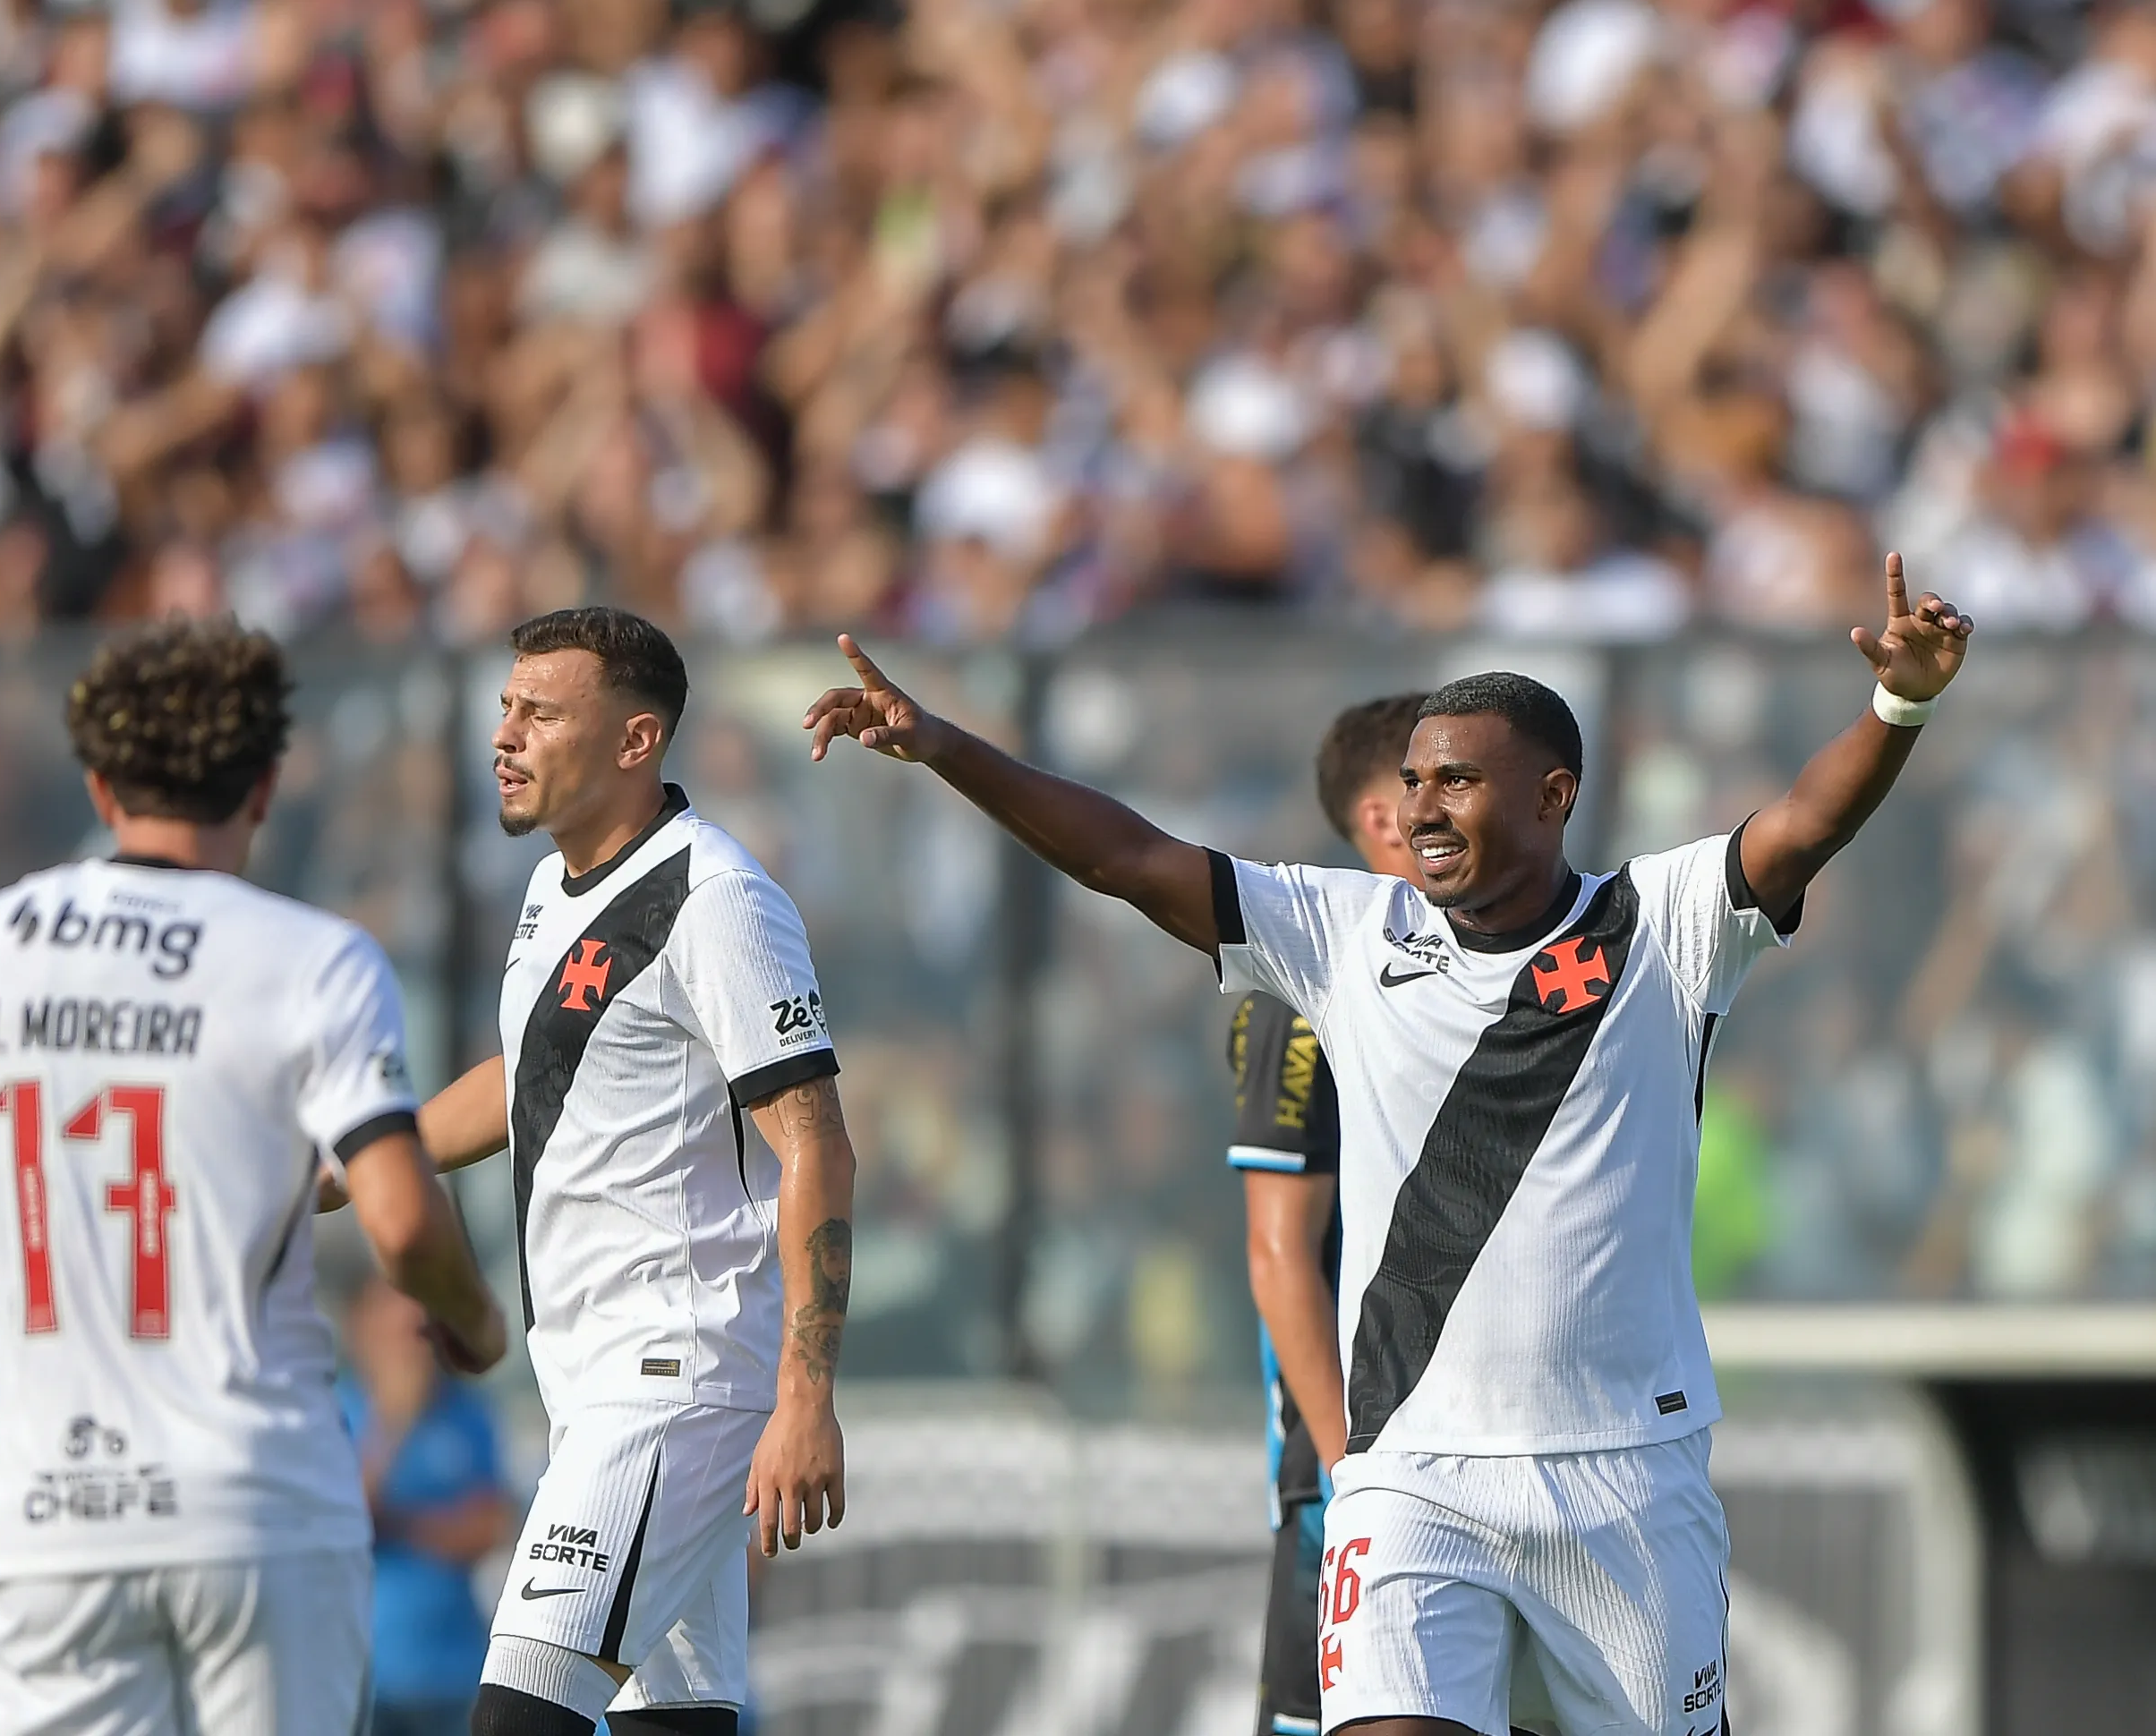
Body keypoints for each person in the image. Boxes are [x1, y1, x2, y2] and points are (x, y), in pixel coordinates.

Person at [804, 556, 1973, 1736]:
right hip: (1410, 1470)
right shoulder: (1342, 932)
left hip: (1622, 1469)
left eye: (1457, 781)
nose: (1419, 809)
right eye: (1413, 781)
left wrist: (1900, 705)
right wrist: (949, 748)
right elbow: (1128, 858)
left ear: (1554, 795)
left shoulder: (1662, 925)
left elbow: (1811, 820)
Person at [0, 616, 507, 1736]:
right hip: (257, 1495)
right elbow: (398, 1219)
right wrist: (475, 1323)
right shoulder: (312, 957)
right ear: (264, 783)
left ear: (101, 786)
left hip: (47, 1500)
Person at [416, 606, 859, 1736]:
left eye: (542, 712)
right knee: (681, 1724)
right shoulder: (557, 886)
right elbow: (525, 1073)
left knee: (520, 1717)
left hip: (672, 1372)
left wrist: (807, 1390)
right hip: (598, 1374)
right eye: (505, 707)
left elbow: (814, 1140)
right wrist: (360, 1157)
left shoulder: (716, 896)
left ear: (634, 741)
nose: (506, 735)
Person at [1235, 693, 1428, 1736]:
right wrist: (1349, 1468)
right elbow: (1279, 1254)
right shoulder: (1302, 987)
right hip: (1352, 1463)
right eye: (1436, 778)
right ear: (1383, 818)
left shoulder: (1497, 963)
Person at [333, 1263, 515, 1736]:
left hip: (456, 1673)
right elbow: (342, 1524)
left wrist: (399, 1524)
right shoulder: (337, 1410)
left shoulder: (466, 1412)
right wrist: (393, 1421)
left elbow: (491, 1526)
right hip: (367, 1678)